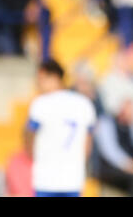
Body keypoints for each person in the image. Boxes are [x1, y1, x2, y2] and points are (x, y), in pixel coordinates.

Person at [25, 60, 96, 197]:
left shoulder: (40, 104)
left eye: (41, 79)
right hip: (73, 178)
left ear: (54, 77)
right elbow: (88, 146)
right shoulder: (84, 104)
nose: (38, 83)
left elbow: (29, 140)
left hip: (45, 179)